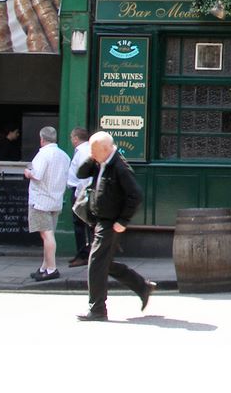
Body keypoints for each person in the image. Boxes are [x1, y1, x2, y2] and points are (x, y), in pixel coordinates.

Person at [75, 131, 156, 321]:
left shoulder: (120, 167)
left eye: (94, 151)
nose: (92, 154)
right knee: (104, 263)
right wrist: (92, 158)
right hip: (99, 220)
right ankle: (142, 286)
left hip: (110, 223)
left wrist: (123, 221)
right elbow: (80, 173)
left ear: (106, 149)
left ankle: (97, 310)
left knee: (96, 264)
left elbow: (136, 195)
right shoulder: (99, 161)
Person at [24, 126, 70, 281]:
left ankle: (51, 269)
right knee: (48, 235)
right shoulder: (64, 156)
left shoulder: (43, 154)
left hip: (41, 201)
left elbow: (36, 175)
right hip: (56, 200)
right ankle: (44, 267)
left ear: (42, 139)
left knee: (47, 235)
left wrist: (27, 172)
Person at [66, 126, 93, 267]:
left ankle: (83, 255)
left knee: (80, 225)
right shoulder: (85, 150)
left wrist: (78, 195)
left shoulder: (83, 152)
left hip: (80, 192)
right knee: (82, 224)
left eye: (71, 137)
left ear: (76, 138)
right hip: (81, 191)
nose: (71, 140)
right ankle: (82, 253)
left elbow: (84, 176)